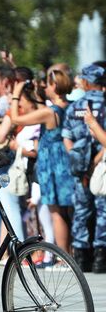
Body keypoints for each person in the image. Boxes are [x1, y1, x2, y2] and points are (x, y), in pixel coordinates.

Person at [7, 65, 75, 254]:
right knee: (67, 210)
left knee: (56, 211)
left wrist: (15, 95)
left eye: (47, 84)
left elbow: (16, 119)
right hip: (66, 160)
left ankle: (63, 256)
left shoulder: (49, 112)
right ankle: (71, 252)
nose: (44, 88)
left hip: (52, 164)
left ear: (54, 85)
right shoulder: (70, 106)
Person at [62, 64, 106, 272]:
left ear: (87, 82)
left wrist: (77, 158)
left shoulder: (75, 106)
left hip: (80, 168)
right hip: (101, 164)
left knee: (81, 210)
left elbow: (67, 137)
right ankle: (100, 257)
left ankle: (81, 256)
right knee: (103, 210)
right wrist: (95, 161)